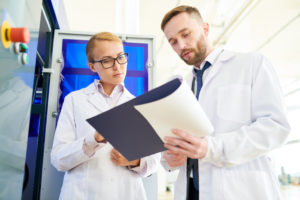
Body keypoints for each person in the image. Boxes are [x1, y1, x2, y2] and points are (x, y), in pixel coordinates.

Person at [160, 5, 290, 200]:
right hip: (190, 191)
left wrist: (211, 148)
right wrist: (170, 159)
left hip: (240, 191)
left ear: (205, 29)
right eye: (173, 42)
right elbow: (174, 142)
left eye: (186, 34)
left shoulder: (251, 65)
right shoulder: (181, 87)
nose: (181, 46)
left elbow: (276, 127)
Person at [51, 32, 160, 200]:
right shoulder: (74, 100)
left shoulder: (140, 104)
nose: (117, 66)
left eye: (121, 57)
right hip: (83, 194)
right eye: (107, 60)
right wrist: (92, 140)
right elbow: (58, 159)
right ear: (93, 66)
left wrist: (135, 161)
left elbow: (153, 162)